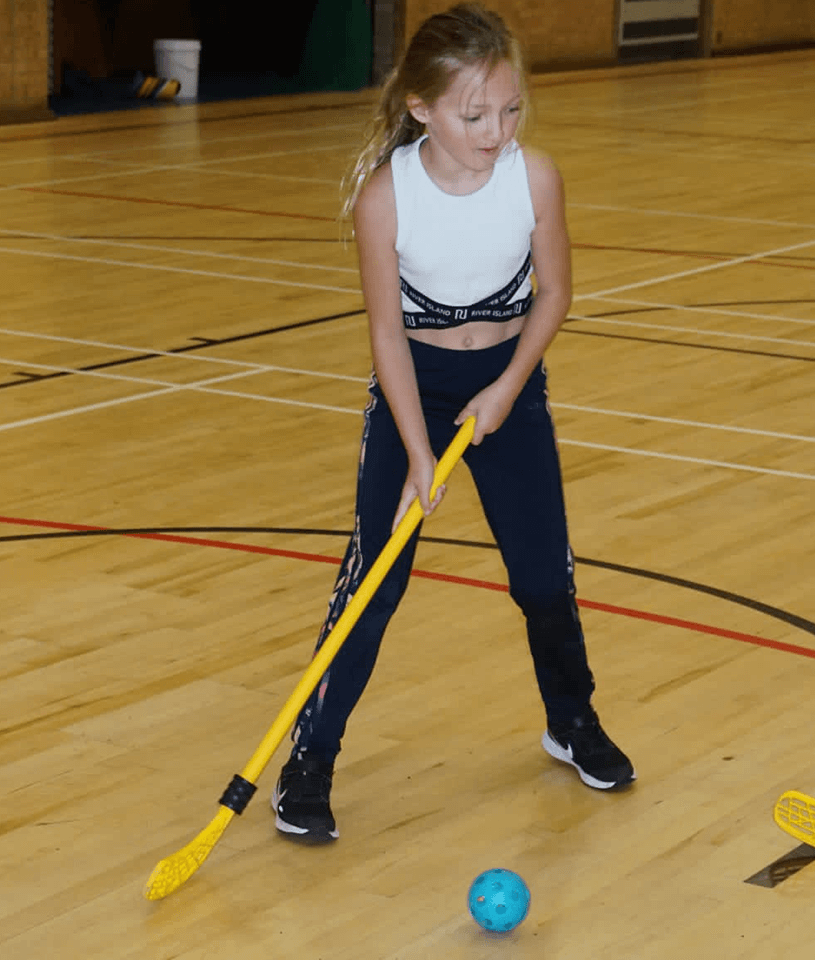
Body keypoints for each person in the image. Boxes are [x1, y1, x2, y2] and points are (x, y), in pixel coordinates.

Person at [271, 1, 635, 845]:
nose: (497, 130)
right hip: (417, 392)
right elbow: (387, 334)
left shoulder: (533, 177)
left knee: (546, 577)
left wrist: (508, 387)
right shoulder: (384, 199)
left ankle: (571, 721)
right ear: (421, 107)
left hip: (510, 385)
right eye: (475, 115)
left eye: (510, 110)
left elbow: (557, 293)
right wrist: (415, 452)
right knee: (375, 581)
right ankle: (309, 759)